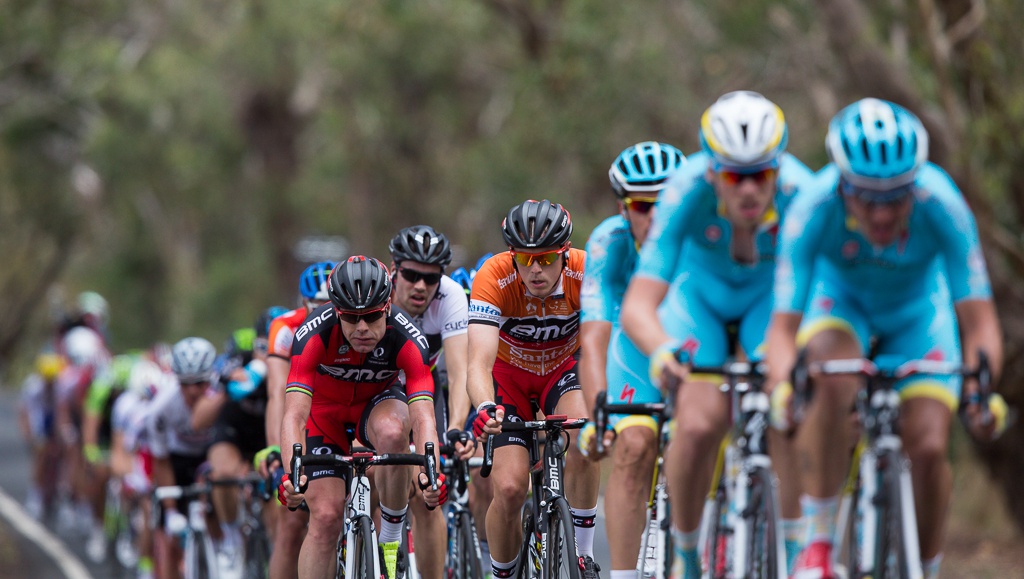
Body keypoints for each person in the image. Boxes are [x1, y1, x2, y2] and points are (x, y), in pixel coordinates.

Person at [764, 98, 1004, 579]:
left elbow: (979, 323)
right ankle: (818, 541)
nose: (881, 212)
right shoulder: (813, 205)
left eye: (896, 197)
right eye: (866, 197)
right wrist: (784, 388)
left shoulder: (942, 203)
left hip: (918, 314)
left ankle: (924, 565)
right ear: (842, 183)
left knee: (931, 445)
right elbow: (782, 331)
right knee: (829, 372)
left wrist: (982, 391)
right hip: (840, 307)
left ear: (915, 184)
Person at [619, 91, 814, 578]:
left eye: (760, 175)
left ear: (777, 170)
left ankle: (795, 554)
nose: (748, 189)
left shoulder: (802, 194)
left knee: (783, 407)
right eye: (734, 176)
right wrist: (662, 351)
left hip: (768, 303)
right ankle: (686, 553)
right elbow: (639, 304)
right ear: (713, 173)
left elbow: (828, 294)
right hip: (697, 300)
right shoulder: (686, 191)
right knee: (701, 422)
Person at [278, 256, 447, 579]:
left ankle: (391, 536)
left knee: (394, 431)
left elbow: (424, 417)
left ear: (387, 307)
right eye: (351, 319)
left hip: (376, 405)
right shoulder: (313, 333)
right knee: (326, 517)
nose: (362, 329)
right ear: (336, 312)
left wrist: (431, 472)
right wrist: (291, 475)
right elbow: (295, 416)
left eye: (371, 317)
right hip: (323, 416)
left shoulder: (408, 336)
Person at [467, 199, 601, 579]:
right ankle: (502, 573)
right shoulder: (493, 276)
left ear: (564, 253)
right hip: (508, 376)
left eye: (545, 258)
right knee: (509, 489)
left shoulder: (586, 270)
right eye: (525, 260)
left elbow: (599, 347)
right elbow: (477, 362)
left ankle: (584, 556)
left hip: (563, 369)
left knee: (583, 433)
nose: (536, 269)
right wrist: (483, 406)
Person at [578, 141, 685, 579]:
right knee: (634, 444)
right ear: (624, 208)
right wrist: (596, 414)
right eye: (643, 206)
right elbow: (594, 341)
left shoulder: (707, 238)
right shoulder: (610, 243)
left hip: (692, 351)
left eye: (667, 203)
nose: (654, 217)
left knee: (695, 443)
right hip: (633, 356)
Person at [388, 225, 472, 579]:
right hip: (379, 388)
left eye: (430, 278)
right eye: (411, 275)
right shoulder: (376, 291)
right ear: (394, 271)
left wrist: (454, 427)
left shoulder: (451, 297)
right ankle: (380, 558)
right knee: (385, 474)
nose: (421, 286)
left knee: (429, 491)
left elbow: (459, 374)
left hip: (425, 388)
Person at [259, 261, 335, 579]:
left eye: (328, 304)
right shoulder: (286, 327)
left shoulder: (352, 322)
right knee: (291, 522)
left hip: (339, 415)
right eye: (315, 306)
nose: (322, 312)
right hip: (303, 415)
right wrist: (276, 450)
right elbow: (278, 392)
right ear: (303, 303)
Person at [192, 325, 272, 572]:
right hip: (232, 431)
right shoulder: (240, 354)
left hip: (266, 431)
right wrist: (227, 387)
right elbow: (198, 422)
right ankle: (231, 542)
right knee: (224, 475)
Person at [147, 337, 219, 579]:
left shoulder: (221, 395)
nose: (192, 391)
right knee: (169, 543)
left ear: (211, 377)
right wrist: (170, 512)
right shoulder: (161, 407)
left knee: (217, 520)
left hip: (209, 457)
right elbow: (161, 459)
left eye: (199, 383)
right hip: (175, 463)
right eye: (185, 383)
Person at [19, 352, 67, 520]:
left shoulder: (60, 386)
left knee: (61, 452)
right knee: (40, 455)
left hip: (53, 419)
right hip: (38, 421)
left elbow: (62, 412)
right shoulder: (32, 387)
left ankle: (60, 492)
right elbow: (25, 413)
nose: (49, 382)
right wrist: (28, 434)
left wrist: (63, 434)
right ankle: (36, 494)